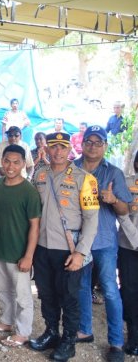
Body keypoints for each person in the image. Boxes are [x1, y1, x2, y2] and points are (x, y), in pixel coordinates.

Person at [29, 133, 99, 361]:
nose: (57, 152)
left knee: (69, 297)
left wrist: (81, 252)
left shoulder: (84, 178)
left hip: (68, 250)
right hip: (42, 247)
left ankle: (69, 341)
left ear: (69, 148)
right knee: (47, 294)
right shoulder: (39, 175)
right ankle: (51, 332)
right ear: (46, 149)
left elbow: (91, 219)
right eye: (53, 147)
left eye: (62, 147)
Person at [73, 126, 131, 362]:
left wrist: (113, 199)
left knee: (109, 290)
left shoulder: (114, 173)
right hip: (78, 241)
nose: (93, 146)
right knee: (81, 287)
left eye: (99, 142)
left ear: (105, 146)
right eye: (89, 141)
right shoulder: (71, 168)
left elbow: (125, 209)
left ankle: (116, 342)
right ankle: (84, 330)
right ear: (82, 144)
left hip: (105, 241)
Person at [0, 144, 41, 348]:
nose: (10, 166)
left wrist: (28, 256)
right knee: (3, 290)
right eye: (7, 161)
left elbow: (35, 227)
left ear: (23, 164)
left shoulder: (29, 191)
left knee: (23, 296)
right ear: (2, 161)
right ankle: (7, 322)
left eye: (16, 162)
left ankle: (24, 331)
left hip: (19, 253)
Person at [118, 151, 138, 356]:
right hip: (128, 247)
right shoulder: (127, 183)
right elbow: (122, 213)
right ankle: (133, 334)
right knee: (130, 291)